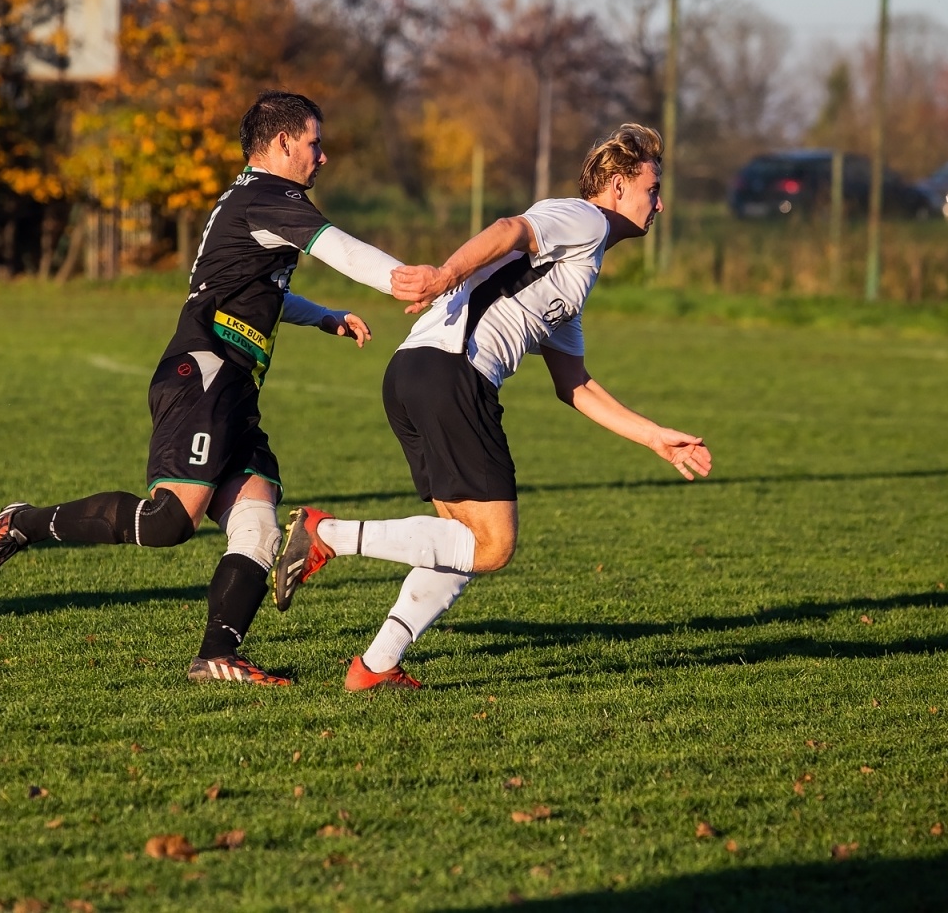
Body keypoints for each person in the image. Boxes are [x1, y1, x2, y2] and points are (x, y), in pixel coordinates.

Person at [0, 90, 407, 686]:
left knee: (259, 525)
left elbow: (259, 288)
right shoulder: (268, 196)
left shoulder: (253, 200)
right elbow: (342, 250)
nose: (322, 157)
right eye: (313, 143)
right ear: (281, 144)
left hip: (235, 385)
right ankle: (24, 521)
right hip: (205, 373)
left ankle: (217, 657)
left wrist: (322, 315)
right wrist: (411, 280)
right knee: (170, 522)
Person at [271, 123, 712, 691]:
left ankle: (375, 666)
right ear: (618, 184)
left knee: (461, 543)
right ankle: (327, 534)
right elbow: (511, 228)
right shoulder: (585, 219)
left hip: (414, 372)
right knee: (493, 545)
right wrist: (444, 274)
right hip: (453, 375)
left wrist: (652, 435)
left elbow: (573, 382)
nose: (660, 203)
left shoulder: (576, 269)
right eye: (652, 188)